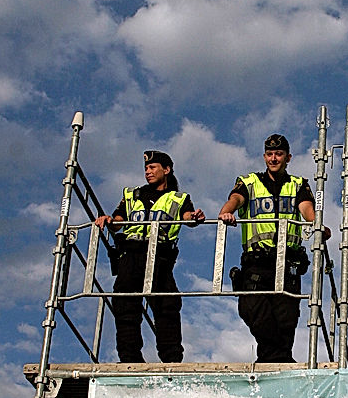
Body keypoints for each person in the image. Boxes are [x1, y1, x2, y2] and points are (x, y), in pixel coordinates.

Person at [218, 133, 329, 363]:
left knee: (285, 319)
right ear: (264, 156)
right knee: (251, 308)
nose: (274, 158)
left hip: (287, 262)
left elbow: (307, 209)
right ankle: (280, 360)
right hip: (257, 260)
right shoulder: (250, 182)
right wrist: (226, 211)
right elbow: (237, 198)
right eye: (269, 154)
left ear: (288, 157)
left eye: (278, 154)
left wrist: (316, 224)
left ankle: (273, 361)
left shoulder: (298, 185)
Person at [95, 150, 204, 363]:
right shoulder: (132, 195)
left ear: (167, 169)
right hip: (131, 256)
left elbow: (188, 218)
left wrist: (195, 217)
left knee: (167, 306)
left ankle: (171, 360)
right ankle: (129, 359)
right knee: (126, 306)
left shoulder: (179, 198)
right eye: (146, 168)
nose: (148, 172)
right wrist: (108, 220)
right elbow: (118, 221)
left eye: (153, 167)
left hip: (160, 259)